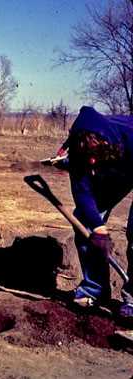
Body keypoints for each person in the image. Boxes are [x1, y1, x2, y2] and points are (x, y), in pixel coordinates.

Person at [62, 106, 133, 319]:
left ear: (105, 144)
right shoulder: (79, 146)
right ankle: (95, 288)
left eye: (95, 155)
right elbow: (82, 191)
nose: (91, 161)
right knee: (84, 220)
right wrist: (99, 228)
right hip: (113, 168)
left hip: (128, 159)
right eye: (87, 158)